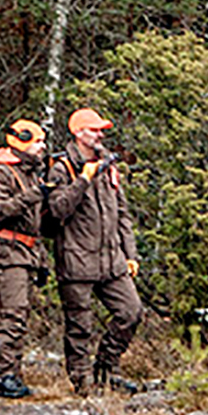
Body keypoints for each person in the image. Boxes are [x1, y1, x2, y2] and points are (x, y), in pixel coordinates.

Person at [44, 105, 142, 396]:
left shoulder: (108, 165)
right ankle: (82, 383)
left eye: (102, 130)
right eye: (94, 130)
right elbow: (57, 208)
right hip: (76, 261)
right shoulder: (62, 168)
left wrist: (131, 254)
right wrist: (83, 179)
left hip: (112, 261)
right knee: (79, 326)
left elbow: (122, 214)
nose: (100, 135)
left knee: (131, 311)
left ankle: (107, 369)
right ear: (78, 133)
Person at [0, 118, 49, 399]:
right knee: (13, 314)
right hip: (7, 253)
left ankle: (12, 374)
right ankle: (1, 375)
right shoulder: (1, 173)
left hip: (25, 252)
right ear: (20, 140)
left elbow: (34, 226)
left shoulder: (30, 173)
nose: (42, 147)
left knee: (20, 314)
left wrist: (42, 261)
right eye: (37, 142)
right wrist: (35, 194)